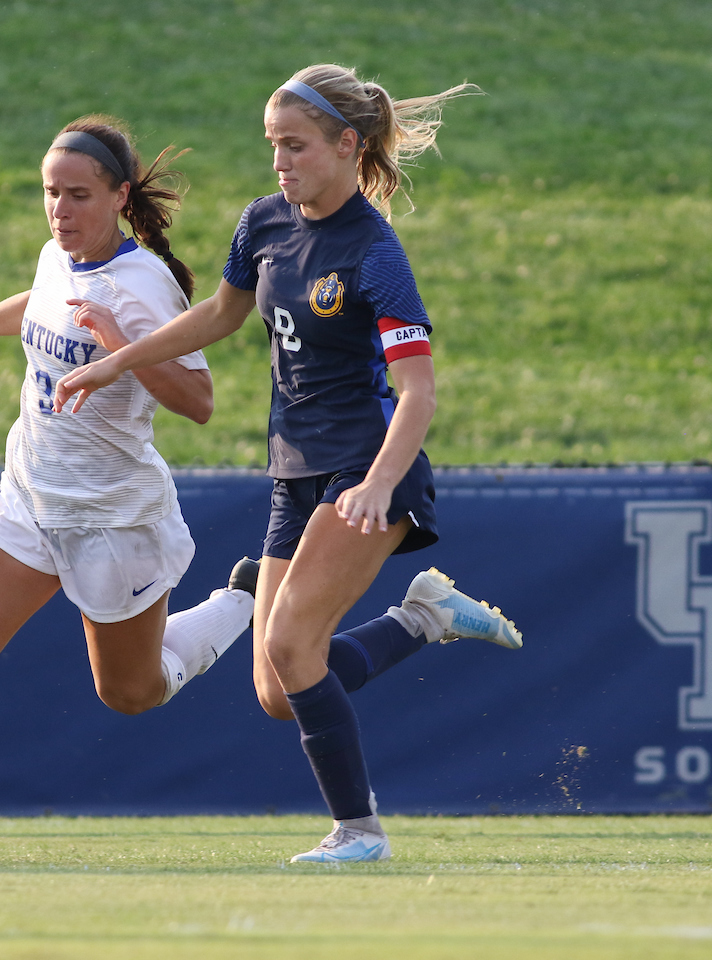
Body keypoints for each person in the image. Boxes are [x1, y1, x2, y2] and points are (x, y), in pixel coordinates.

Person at [55, 65, 522, 863]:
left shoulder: (376, 255)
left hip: (368, 471)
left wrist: (377, 485)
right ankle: (423, 618)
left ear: (348, 146)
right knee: (279, 686)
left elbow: (418, 394)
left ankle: (358, 832)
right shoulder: (264, 223)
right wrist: (116, 361)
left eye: (296, 146)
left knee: (292, 652)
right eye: (273, 145)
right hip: (293, 473)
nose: (280, 163)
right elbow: (219, 315)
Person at [0, 116, 256, 862]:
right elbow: (41, 303)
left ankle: (243, 603)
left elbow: (198, 402)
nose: (59, 210)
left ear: (120, 196)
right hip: (30, 496)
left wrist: (118, 345)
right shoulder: (56, 254)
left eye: (77, 195)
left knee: (131, 692)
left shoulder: (144, 286)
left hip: (110, 517)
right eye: (50, 193)